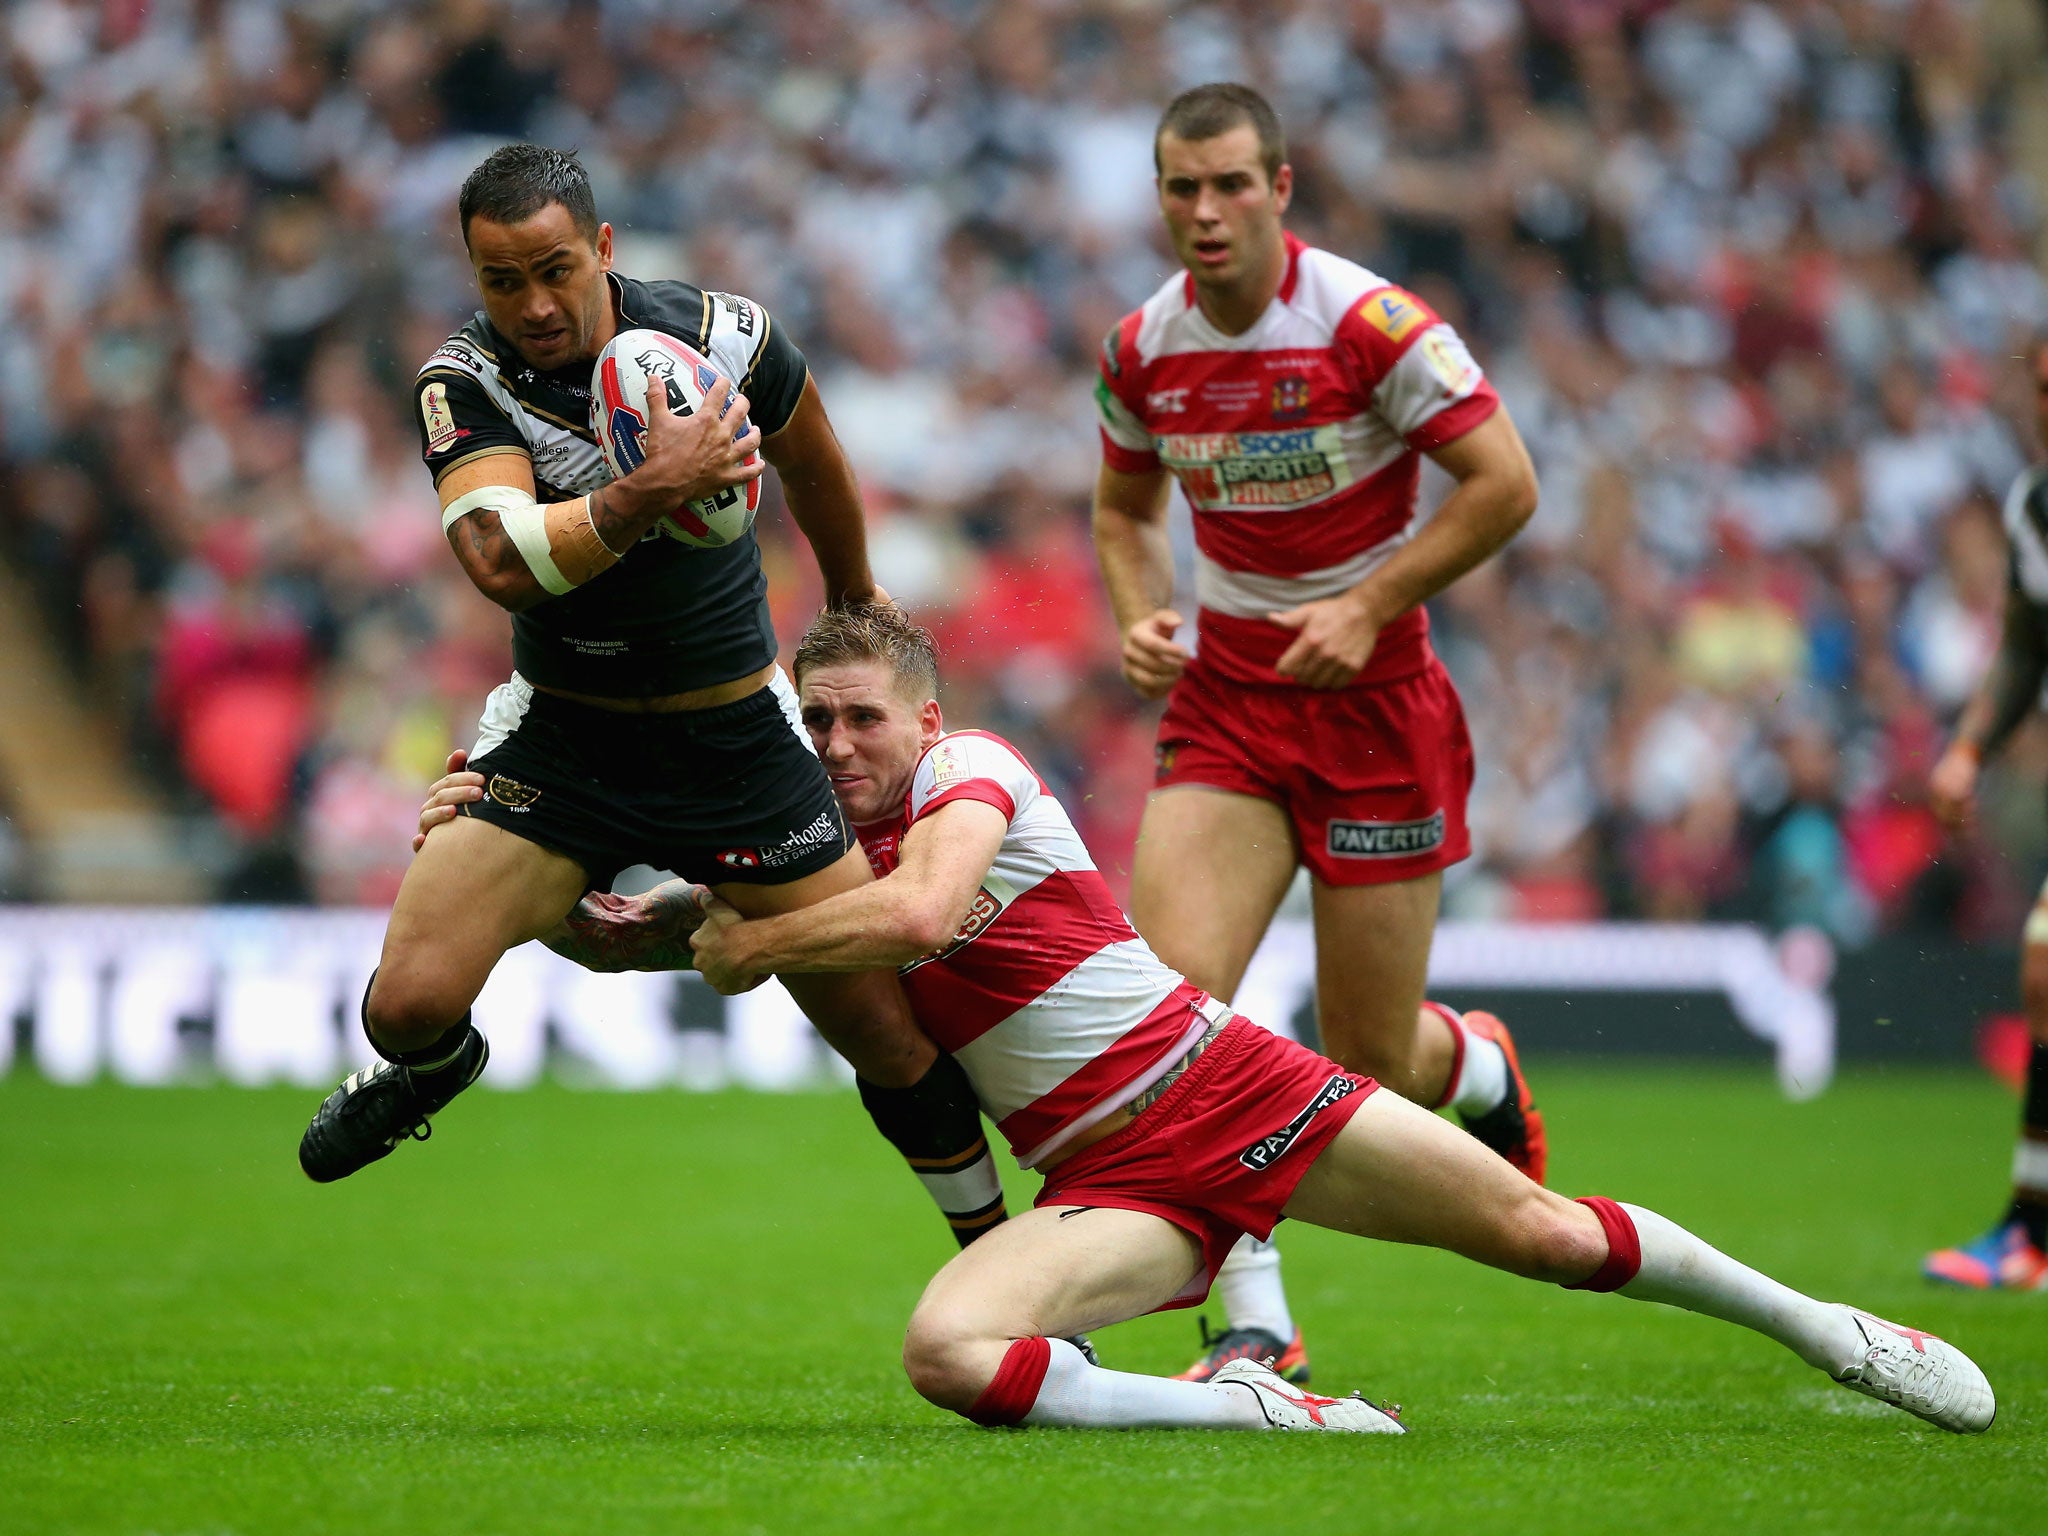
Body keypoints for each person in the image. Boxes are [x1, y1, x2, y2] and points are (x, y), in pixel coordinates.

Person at [638, 604, 1981, 1434]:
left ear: (921, 717)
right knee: (943, 1353)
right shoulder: (817, 865)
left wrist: (740, 932)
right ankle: (1259, 1414)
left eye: (859, 716)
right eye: (812, 720)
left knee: (1548, 1237)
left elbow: (920, 919)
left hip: (1230, 1086)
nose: (834, 743)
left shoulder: (970, 771)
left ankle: (1824, 1327)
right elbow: (719, 931)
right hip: (1107, 1182)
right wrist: (599, 910)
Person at [297, 145, 1007, 1256]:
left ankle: (999, 1262)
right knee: (405, 1008)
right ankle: (443, 1071)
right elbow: (497, 558)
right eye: (500, 281)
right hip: (562, 738)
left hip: (733, 737)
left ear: (605, 250)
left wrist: (856, 595)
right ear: (471, 275)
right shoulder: (463, 381)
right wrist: (648, 491)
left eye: (554, 270)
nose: (532, 304)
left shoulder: (722, 337)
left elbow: (813, 453)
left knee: (884, 1032)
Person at [1090, 82, 1542, 1380]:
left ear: (1281, 189)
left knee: (1372, 1064)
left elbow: (1506, 485)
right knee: (1173, 1026)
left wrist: (1370, 601)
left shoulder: (1371, 325)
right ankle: (1257, 1324)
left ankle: (1476, 1064)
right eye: (1183, 187)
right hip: (1229, 702)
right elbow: (1121, 513)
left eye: (1232, 183)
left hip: (1376, 708)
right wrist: (1140, 614)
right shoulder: (1140, 349)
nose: (1207, 210)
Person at [1924, 334, 2048, 1290]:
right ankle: (2030, 1230)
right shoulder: (2034, 507)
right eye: (2040, 389)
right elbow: (2022, 645)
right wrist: (1969, 748)